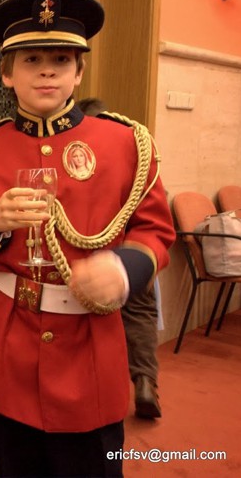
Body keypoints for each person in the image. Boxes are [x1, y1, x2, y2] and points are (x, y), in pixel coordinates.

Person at [0, 0, 175, 476]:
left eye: (61, 59)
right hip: (5, 349)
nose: (47, 71)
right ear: (7, 73)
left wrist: (123, 269)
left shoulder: (125, 143)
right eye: (31, 60)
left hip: (89, 346)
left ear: (79, 71)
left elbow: (156, 231)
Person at [78, 97, 163, 420]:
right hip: (134, 254)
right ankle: (145, 381)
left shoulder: (83, 158)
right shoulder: (134, 153)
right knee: (141, 312)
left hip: (93, 256)